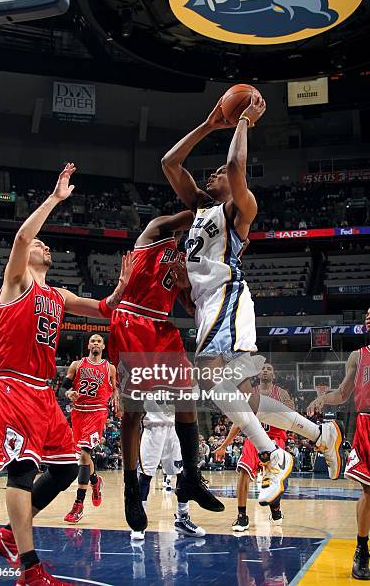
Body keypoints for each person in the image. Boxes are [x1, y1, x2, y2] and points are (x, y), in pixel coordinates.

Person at [161, 94, 343, 507]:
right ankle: (319, 434)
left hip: (228, 297)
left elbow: (238, 167)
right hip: (208, 305)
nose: (215, 173)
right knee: (246, 398)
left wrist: (242, 121)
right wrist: (209, 124)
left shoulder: (241, 208)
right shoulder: (199, 209)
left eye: (221, 172)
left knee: (211, 379)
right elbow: (170, 164)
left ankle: (273, 455)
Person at [0, 164, 132, 586]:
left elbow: (103, 309)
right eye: (40, 245)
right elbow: (22, 237)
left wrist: (120, 290)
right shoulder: (16, 282)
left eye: (46, 245)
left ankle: (10, 534)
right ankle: (30, 568)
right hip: (12, 383)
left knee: (67, 469)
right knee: (22, 471)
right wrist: (54, 199)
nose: (44, 246)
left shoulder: (58, 294)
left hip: (44, 394)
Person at [108, 210, 224, 533]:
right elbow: (189, 213)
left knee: (187, 395)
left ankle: (191, 476)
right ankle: (131, 489)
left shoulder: (186, 259)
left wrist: (189, 285)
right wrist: (208, 206)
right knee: (133, 412)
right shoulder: (152, 233)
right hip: (134, 320)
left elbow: (188, 305)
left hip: (161, 326)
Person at [307, 308, 370, 580]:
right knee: (369, 491)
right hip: (367, 423)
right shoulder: (358, 356)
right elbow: (343, 394)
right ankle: (362, 550)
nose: (368, 316)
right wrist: (323, 399)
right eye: (367, 313)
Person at [215, 363, 294, 530]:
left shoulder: (282, 394)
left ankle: (276, 508)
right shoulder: (249, 394)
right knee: (243, 471)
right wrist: (224, 445)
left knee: (273, 477)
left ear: (274, 375)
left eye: (269, 369)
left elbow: (292, 419)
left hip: (275, 437)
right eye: (263, 368)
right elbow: (239, 421)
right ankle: (242, 516)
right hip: (253, 437)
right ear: (258, 374)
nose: (265, 370)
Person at [61, 334, 119, 524]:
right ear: (88, 345)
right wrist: (69, 393)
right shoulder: (77, 365)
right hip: (79, 413)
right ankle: (95, 481)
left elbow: (115, 390)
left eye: (99, 341)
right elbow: (65, 387)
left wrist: (117, 401)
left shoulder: (110, 368)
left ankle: (78, 505)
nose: (95, 343)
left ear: (103, 346)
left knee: (85, 455)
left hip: (97, 413)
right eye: (92, 341)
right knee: (84, 457)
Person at [131, 397, 205, 540]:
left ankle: (182, 519)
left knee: (181, 474)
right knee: (146, 475)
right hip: (152, 427)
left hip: (175, 427)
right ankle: (139, 523)